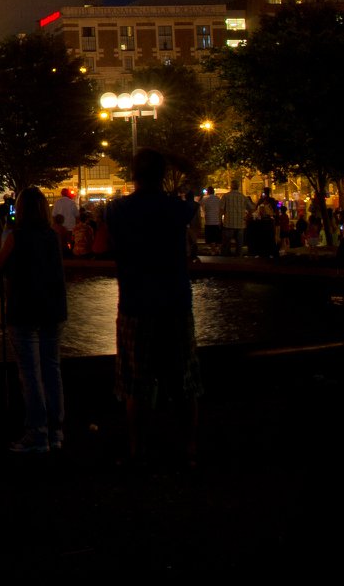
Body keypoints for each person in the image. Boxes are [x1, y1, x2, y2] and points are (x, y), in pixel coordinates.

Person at [103, 148, 201, 465]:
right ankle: (188, 446)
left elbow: (101, 247)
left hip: (135, 303)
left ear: (133, 175)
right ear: (162, 174)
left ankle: (137, 448)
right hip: (174, 302)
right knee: (182, 380)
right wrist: (182, 163)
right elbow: (193, 197)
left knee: (135, 383)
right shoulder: (177, 209)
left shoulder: (117, 210)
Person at [0, 186, 68, 453]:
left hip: (25, 310)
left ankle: (37, 433)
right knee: (52, 369)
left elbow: (0, 263)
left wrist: (4, 233)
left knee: (30, 372)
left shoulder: (16, 236)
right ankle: (56, 431)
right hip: (53, 309)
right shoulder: (51, 235)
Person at [221, 182, 252, 256]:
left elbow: (221, 209)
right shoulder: (243, 197)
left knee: (226, 244)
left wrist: (220, 221)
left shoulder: (226, 196)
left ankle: (226, 260)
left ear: (231, 187)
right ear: (238, 187)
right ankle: (239, 260)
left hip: (229, 224)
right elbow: (251, 208)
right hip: (240, 224)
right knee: (239, 245)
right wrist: (247, 217)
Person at [200, 187, 223, 254]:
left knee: (211, 237)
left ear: (208, 192)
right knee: (217, 237)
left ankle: (213, 250)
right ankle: (218, 250)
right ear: (213, 191)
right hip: (217, 220)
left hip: (209, 220)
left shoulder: (205, 198)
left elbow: (199, 204)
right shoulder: (218, 199)